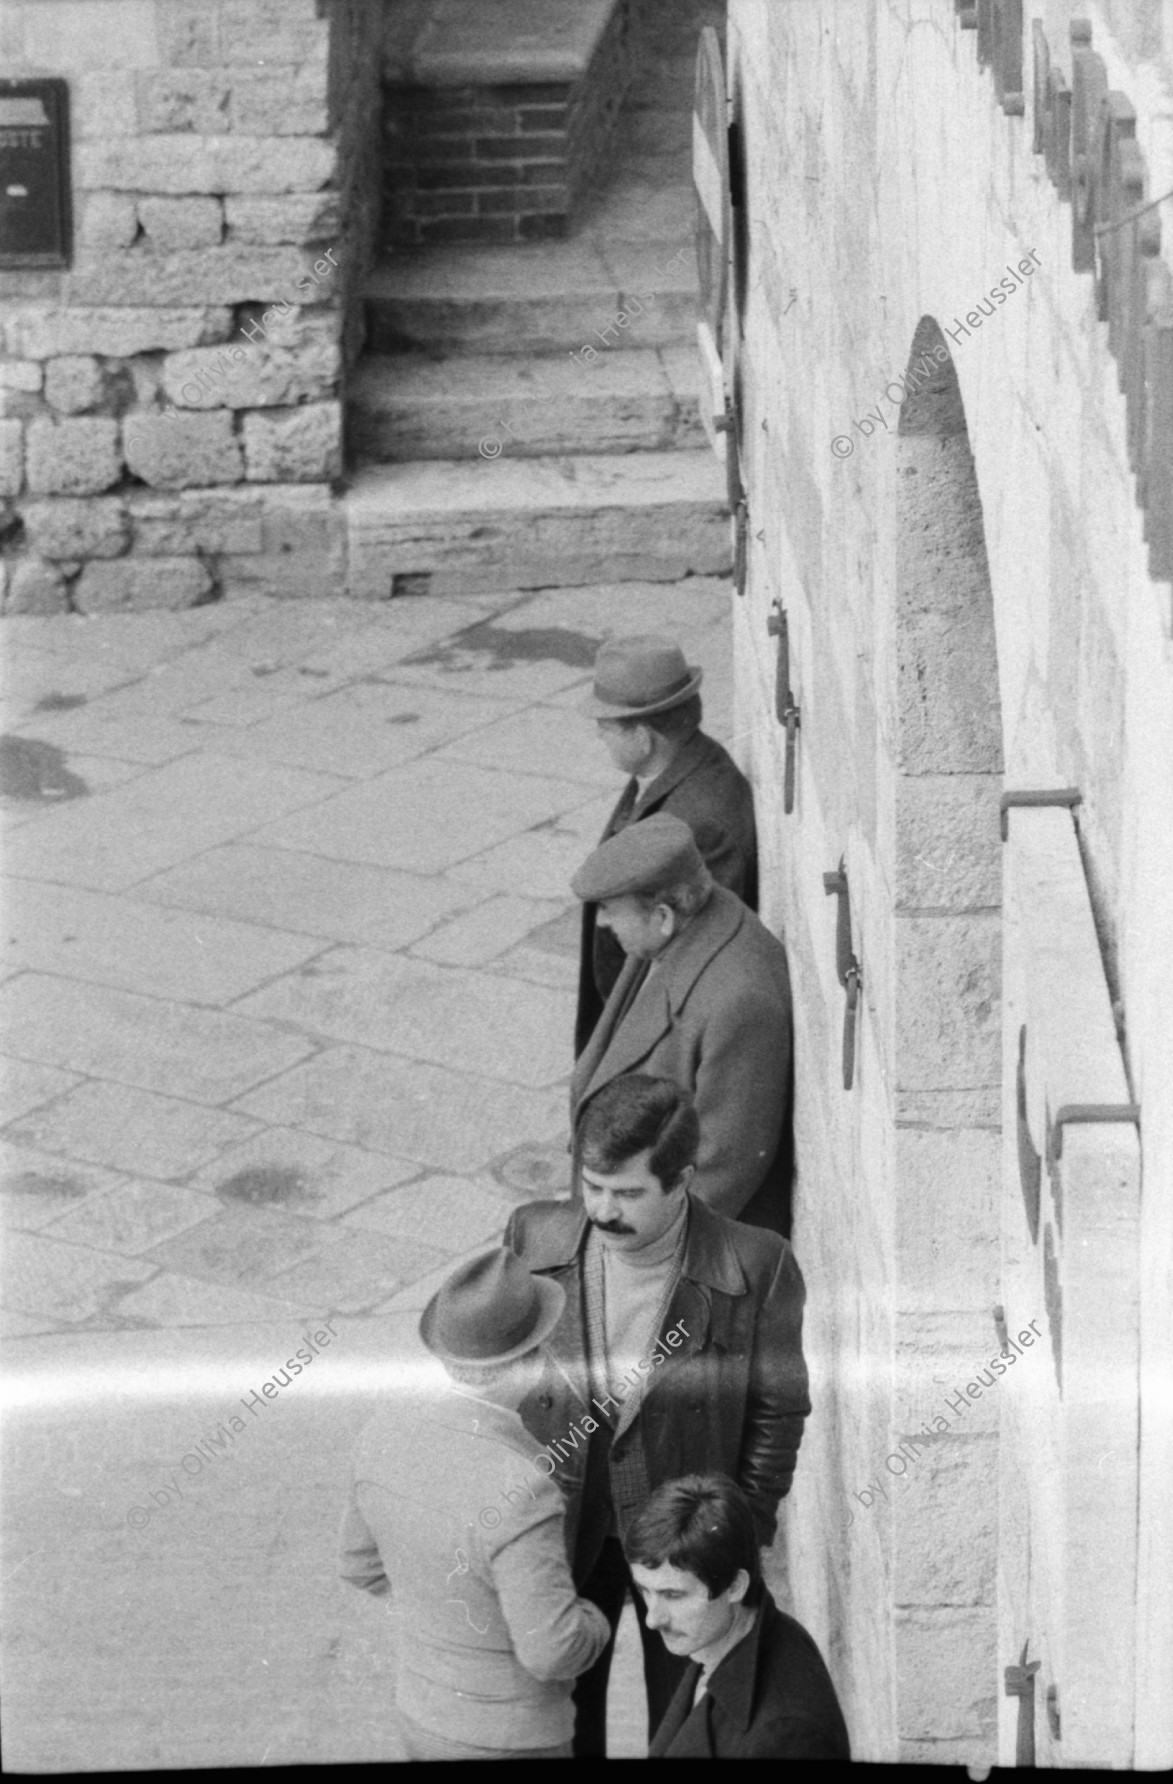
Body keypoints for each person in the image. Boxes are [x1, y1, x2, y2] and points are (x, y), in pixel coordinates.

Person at [503, 1074, 810, 1757]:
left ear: (683, 1181)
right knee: (560, 1715)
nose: (603, 1211)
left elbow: (778, 1408)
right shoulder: (533, 1235)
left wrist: (740, 1529)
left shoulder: (754, 1265)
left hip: (680, 1536)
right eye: (592, 1187)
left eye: (628, 1193)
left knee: (678, 1725)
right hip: (565, 1522)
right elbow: (505, 1373)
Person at [338, 1249, 611, 1762]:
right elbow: (553, 1650)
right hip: (512, 1739)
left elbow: (358, 1566)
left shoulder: (382, 1432)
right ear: (532, 1360)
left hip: (421, 1713)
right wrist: (594, 1619)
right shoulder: (523, 1487)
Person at [569, 811, 793, 1233]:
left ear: (663, 916)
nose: (601, 922)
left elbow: (718, 1175)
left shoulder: (739, 1003)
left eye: (610, 909)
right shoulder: (682, 930)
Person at [575, 633, 758, 1056]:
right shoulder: (670, 770)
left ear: (643, 735)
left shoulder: (702, 820)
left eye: (606, 726)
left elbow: (688, 960)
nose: (599, 736)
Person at [626, 1474, 851, 1758]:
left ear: (735, 1587)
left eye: (673, 1595)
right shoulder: (720, 1638)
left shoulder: (786, 1734)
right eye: (645, 1590)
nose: (652, 1619)